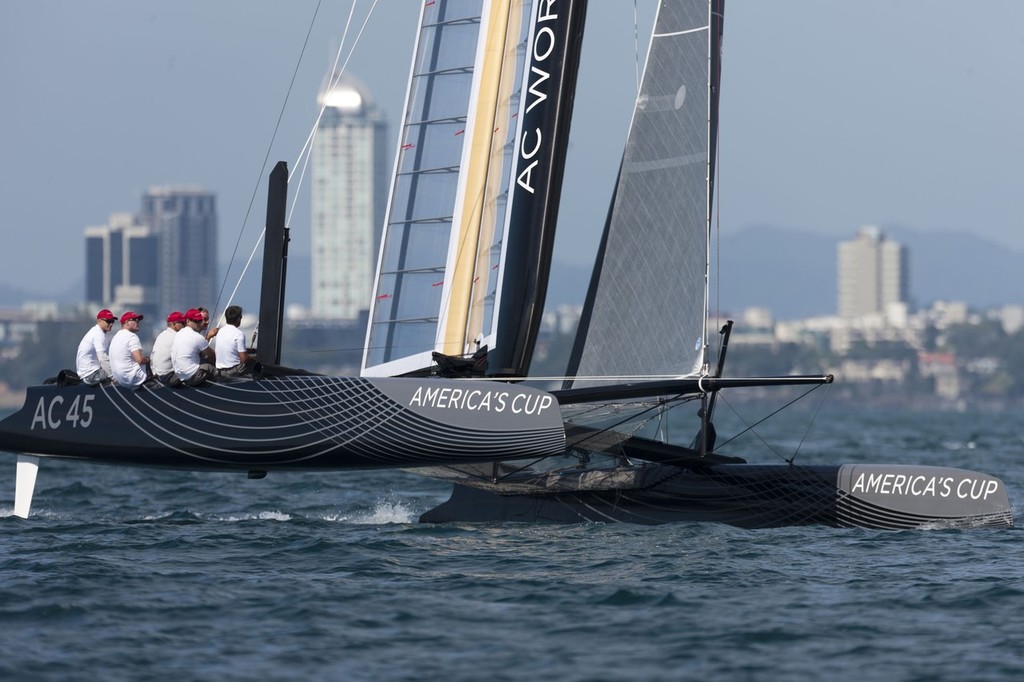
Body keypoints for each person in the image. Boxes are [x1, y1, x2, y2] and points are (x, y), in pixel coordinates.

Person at [171, 308, 216, 386]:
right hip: (192, 376)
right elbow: (212, 355)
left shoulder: (179, 334)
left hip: (180, 376)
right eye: (196, 321)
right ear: (188, 321)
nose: (199, 323)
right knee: (212, 368)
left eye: (199, 321)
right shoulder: (196, 337)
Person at [108, 311, 151, 389]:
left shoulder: (115, 337)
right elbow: (140, 360)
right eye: (135, 320)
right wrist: (149, 360)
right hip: (132, 379)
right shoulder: (131, 336)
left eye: (138, 321)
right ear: (127, 322)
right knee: (149, 360)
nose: (138, 323)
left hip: (120, 380)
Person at [76, 309, 117, 385]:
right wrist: (114, 378)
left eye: (112, 321)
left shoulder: (98, 332)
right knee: (120, 373)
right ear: (99, 321)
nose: (111, 324)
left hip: (89, 373)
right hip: (91, 375)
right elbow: (102, 359)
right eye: (108, 321)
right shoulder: (99, 335)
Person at [214, 305, 252, 377]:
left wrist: (250, 351)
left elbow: (230, 348)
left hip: (219, 371)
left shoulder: (220, 331)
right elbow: (244, 359)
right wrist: (255, 361)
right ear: (238, 319)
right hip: (233, 371)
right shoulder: (239, 334)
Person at [151, 311, 185, 382]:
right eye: (182, 323)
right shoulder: (177, 337)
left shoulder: (162, 334)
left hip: (156, 374)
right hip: (167, 375)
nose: (184, 326)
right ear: (173, 324)